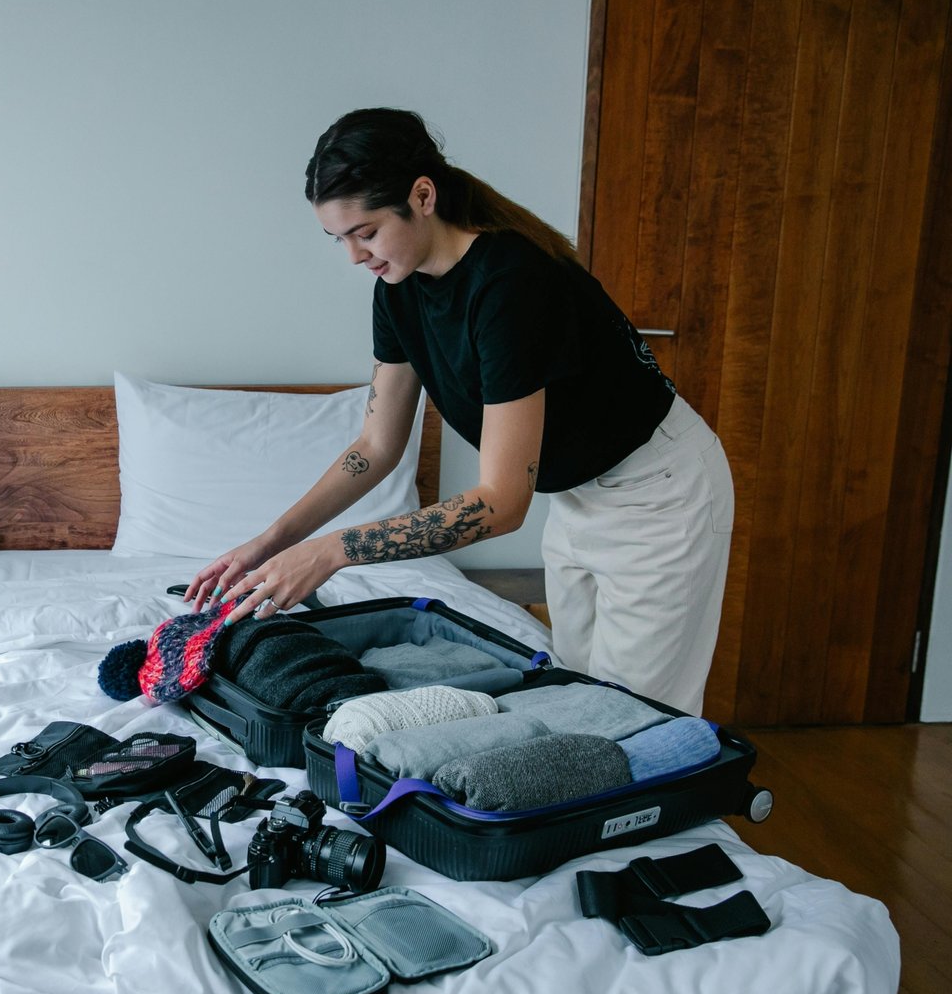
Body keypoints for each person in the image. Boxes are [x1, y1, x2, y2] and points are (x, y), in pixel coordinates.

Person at [183, 107, 734, 716]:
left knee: (637, 720)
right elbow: (375, 446)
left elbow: (501, 504)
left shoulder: (510, 285)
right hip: (579, 499)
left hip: (658, 494)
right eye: (339, 238)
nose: (354, 256)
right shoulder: (398, 290)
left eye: (365, 232)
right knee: (585, 702)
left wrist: (335, 550)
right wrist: (273, 542)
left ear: (422, 195)